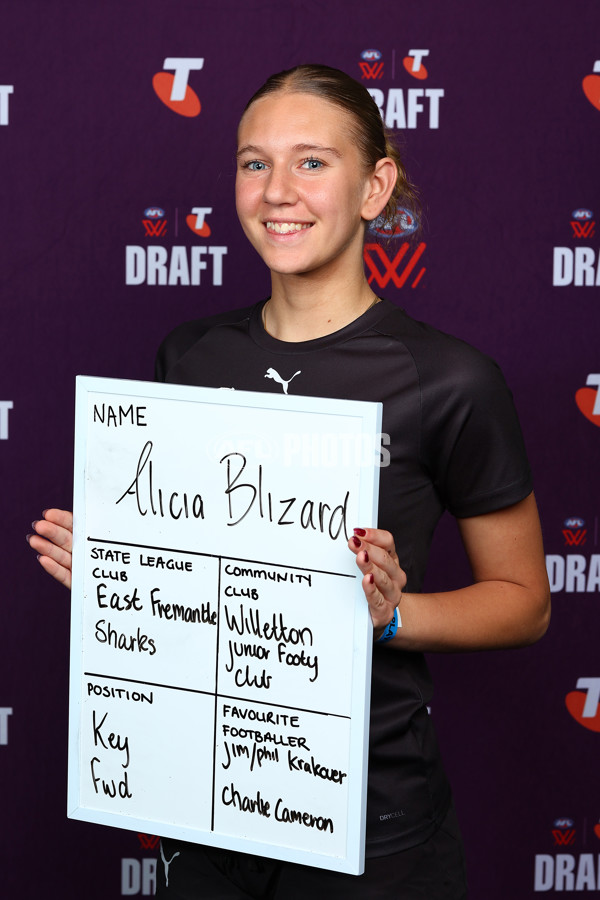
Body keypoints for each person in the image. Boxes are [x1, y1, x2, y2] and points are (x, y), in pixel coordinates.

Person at [28, 64, 550, 899]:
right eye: (253, 162)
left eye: (312, 162)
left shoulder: (449, 379)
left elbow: (526, 600)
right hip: (205, 801)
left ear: (376, 186)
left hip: (375, 822)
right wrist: (123, 575)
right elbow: (195, 584)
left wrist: (389, 616)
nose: (277, 191)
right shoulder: (189, 357)